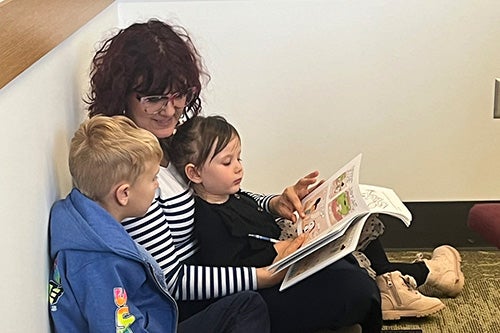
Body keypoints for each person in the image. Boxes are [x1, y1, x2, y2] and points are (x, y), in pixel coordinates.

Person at [85, 18, 463, 329]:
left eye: (179, 94)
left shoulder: (169, 141)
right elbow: (174, 281)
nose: (170, 109)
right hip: (211, 299)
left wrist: (273, 204)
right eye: (154, 99)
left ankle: (395, 280)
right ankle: (398, 283)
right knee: (351, 288)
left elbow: (221, 199)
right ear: (123, 95)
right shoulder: (132, 169)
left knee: (343, 249)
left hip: (234, 265)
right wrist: (264, 275)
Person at [165, 114, 462, 322]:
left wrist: (288, 205)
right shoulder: (205, 217)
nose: (239, 168)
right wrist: (279, 249)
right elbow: (234, 255)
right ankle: (417, 275)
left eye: (239, 158)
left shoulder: (230, 193)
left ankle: (400, 277)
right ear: (194, 173)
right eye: (228, 162)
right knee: (349, 267)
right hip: (273, 261)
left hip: (285, 240)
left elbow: (251, 207)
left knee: (360, 220)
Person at [48, 115, 271, 333]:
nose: (157, 186)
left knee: (246, 304)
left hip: (157, 320)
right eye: (153, 178)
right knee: (247, 307)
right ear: (124, 194)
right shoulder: (96, 262)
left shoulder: (93, 225)